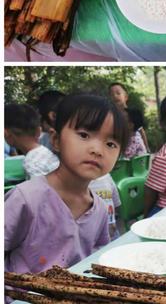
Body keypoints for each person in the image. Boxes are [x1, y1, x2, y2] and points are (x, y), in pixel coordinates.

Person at [5, 95, 129, 274]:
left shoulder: (100, 209)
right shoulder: (27, 198)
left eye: (110, 144)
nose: (97, 150)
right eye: (84, 135)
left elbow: (97, 259)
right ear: (56, 140)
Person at [4, 103, 59, 178]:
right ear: (39, 131)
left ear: (6, 134)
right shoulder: (47, 153)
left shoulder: (31, 164)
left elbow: (40, 189)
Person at [109, 83, 149, 152]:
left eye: (118, 93)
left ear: (126, 97)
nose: (115, 96)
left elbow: (141, 130)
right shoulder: (111, 115)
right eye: (112, 95)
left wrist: (147, 147)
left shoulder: (131, 115)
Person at [89, 173, 122, 240]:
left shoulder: (107, 176)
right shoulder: (75, 183)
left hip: (112, 233)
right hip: (91, 239)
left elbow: (116, 203)